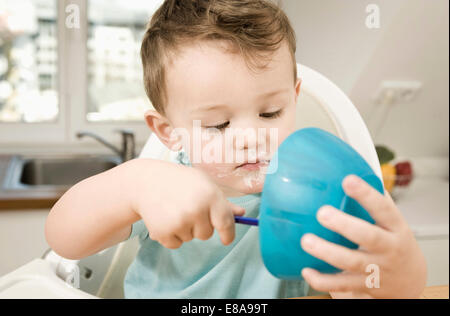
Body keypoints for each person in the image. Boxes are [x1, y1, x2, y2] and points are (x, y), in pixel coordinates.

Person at [45, 0, 427, 298]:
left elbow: (366, 288)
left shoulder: (320, 192)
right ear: (168, 131)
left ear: (294, 100)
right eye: (218, 125)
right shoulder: (165, 189)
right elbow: (63, 239)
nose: (250, 137)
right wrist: (135, 184)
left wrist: (402, 274)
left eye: (270, 112)